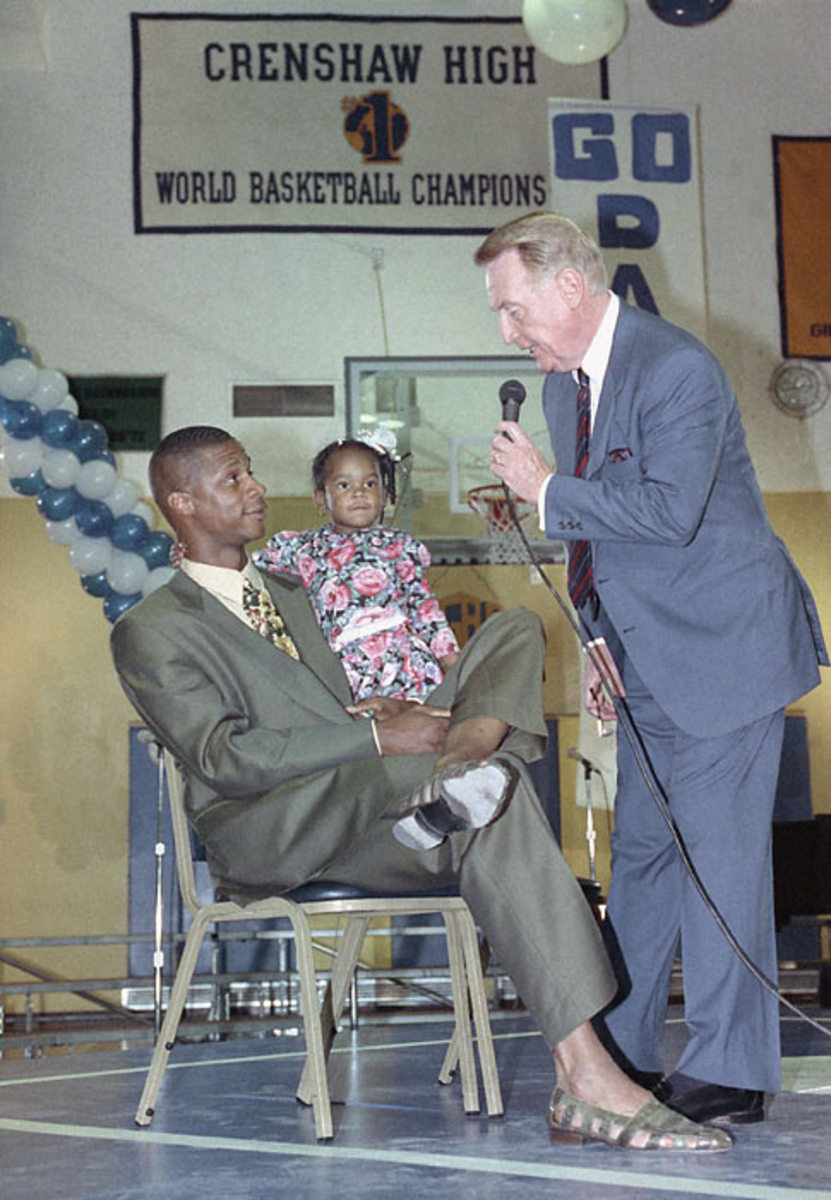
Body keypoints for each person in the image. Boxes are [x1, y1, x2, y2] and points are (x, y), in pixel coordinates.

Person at [110, 424, 730, 1152]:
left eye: (250, 473)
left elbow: (324, 698)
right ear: (180, 502)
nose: (255, 490)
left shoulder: (287, 589)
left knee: (514, 631)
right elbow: (223, 756)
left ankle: (459, 770)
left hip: (376, 801)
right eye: (233, 479)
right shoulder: (151, 628)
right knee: (492, 799)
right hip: (276, 828)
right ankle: (585, 1076)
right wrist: (378, 737)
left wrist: (383, 712)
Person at [475, 211, 828, 1127]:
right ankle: (621, 1053)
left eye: (513, 310)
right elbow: (596, 538)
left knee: (719, 863)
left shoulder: (675, 368)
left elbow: (668, 513)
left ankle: (729, 1068)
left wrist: (542, 489)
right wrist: (597, 639)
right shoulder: (562, 392)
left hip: (724, 649)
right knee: (640, 858)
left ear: (567, 285)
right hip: (642, 654)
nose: (507, 334)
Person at [253, 432, 460, 703]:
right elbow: (242, 565)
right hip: (341, 672)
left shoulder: (399, 546)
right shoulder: (301, 548)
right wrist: (193, 554)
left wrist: (454, 666)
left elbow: (425, 610)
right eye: (343, 485)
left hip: (405, 664)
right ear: (320, 498)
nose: (359, 492)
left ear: (384, 494)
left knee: (424, 729)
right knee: (368, 737)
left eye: (370, 483)